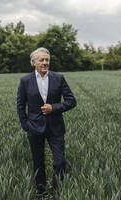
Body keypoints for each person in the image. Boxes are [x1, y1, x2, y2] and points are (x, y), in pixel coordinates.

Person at [16, 47, 76, 199]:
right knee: (38, 163)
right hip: (34, 128)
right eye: (41, 60)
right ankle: (41, 193)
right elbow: (21, 105)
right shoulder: (25, 81)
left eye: (47, 60)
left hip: (55, 127)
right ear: (33, 62)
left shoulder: (59, 78)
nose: (45, 62)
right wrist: (26, 125)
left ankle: (57, 192)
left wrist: (53, 107)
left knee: (59, 161)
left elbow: (71, 101)